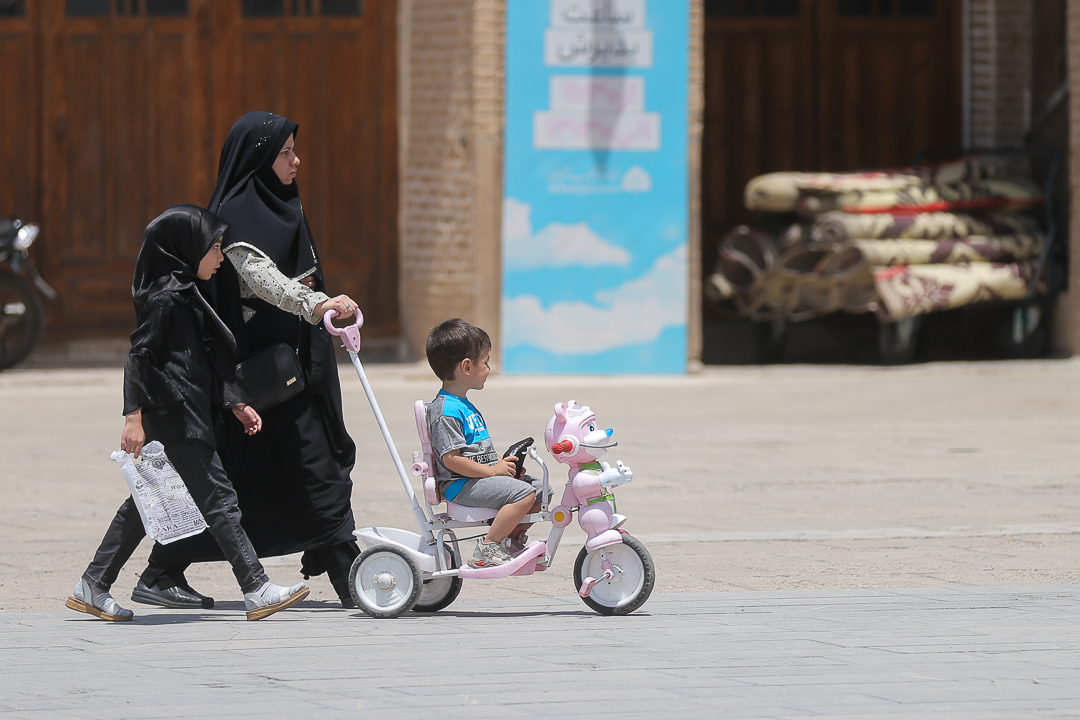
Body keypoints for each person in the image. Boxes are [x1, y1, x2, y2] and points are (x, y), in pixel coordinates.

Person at [134, 112, 363, 608]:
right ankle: (353, 578)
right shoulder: (238, 213)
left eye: (294, 150)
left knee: (289, 471)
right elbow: (260, 276)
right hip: (256, 376)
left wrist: (324, 310)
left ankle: (348, 573)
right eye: (285, 153)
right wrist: (314, 304)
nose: (296, 161)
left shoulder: (285, 205)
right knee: (257, 473)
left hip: (293, 369)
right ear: (259, 158)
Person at [66, 205, 309, 622]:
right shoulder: (164, 299)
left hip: (187, 410)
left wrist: (235, 402)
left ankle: (93, 583)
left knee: (145, 503)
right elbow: (139, 358)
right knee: (219, 498)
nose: (219, 258)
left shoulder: (185, 292)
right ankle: (256, 587)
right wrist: (132, 418)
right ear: (186, 248)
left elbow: (200, 361)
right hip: (177, 416)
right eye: (213, 248)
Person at [425, 318, 544, 568]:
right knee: (524, 493)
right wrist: (493, 472)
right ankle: (488, 548)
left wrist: (504, 466)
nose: (489, 368)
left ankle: (510, 541)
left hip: (478, 478)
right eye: (486, 362)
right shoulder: (446, 410)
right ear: (467, 366)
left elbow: (479, 450)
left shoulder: (464, 405)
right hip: (461, 485)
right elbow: (452, 460)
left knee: (542, 489)